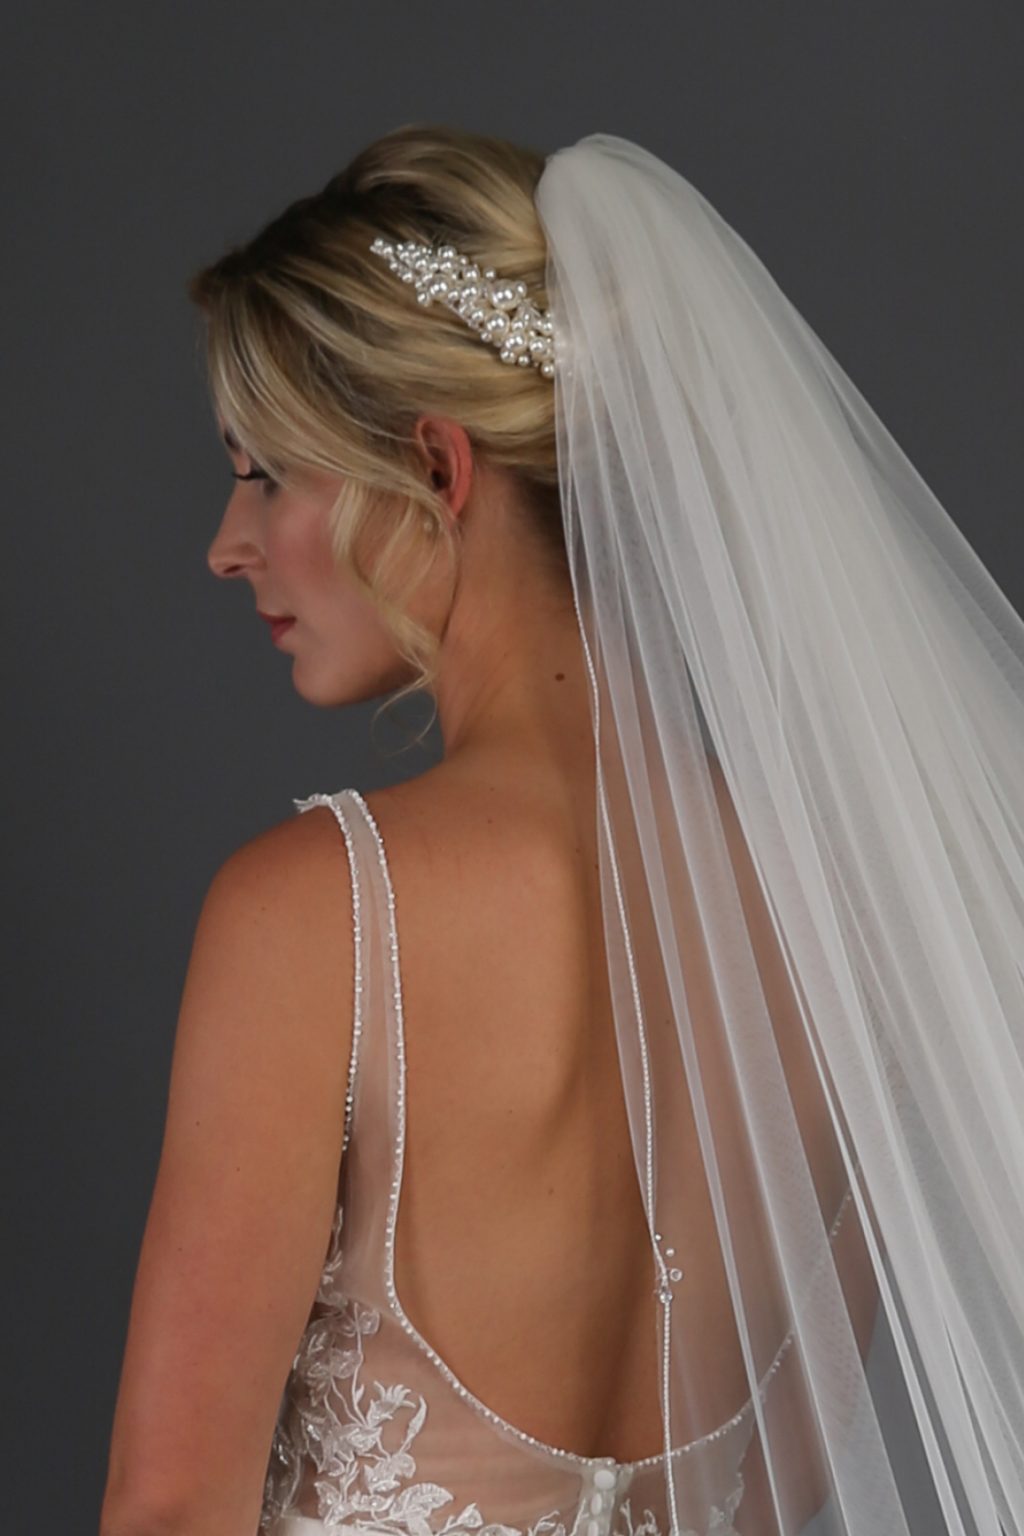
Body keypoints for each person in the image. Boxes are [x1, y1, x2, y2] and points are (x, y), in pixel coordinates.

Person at [100, 124, 1024, 1536]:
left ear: (436, 467)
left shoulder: (314, 914)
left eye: (267, 474)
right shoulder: (843, 924)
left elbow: (172, 1511)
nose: (229, 546)